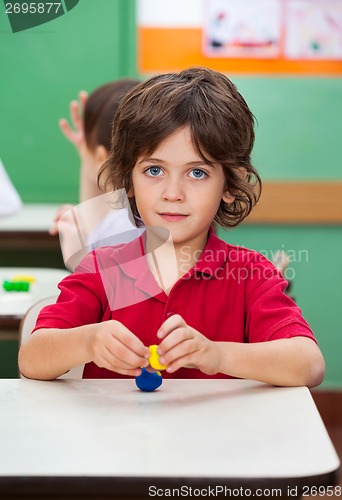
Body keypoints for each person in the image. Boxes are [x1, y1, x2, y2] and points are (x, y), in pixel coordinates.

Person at [18, 67, 325, 387]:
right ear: (129, 180)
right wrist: (87, 341)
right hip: (114, 436)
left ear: (230, 185)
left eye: (197, 173)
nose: (173, 193)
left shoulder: (251, 275)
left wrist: (217, 355)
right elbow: (32, 358)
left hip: (222, 437)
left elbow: (309, 364)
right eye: (154, 170)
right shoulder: (100, 267)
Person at [49, 79, 142, 269]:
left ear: (101, 156)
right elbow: (97, 217)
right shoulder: (132, 214)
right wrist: (88, 150)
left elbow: (114, 296)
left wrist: (80, 261)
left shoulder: (123, 226)